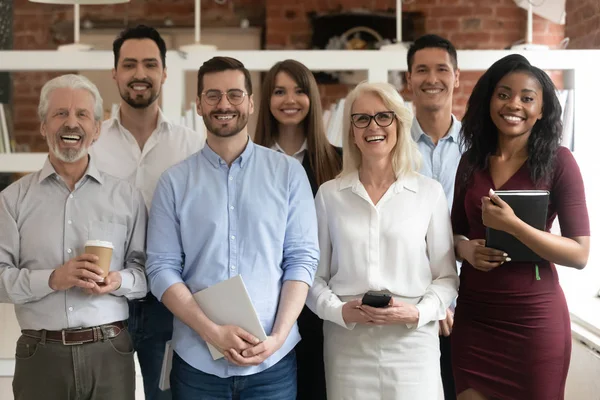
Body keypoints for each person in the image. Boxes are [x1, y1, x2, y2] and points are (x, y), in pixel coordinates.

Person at [146, 56, 319, 399]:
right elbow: (161, 268)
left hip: (273, 364)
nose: (224, 104)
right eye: (212, 95)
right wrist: (210, 331)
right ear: (198, 104)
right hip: (198, 364)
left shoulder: (288, 174)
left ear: (252, 103)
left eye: (235, 94)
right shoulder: (174, 182)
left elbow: (301, 259)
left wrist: (279, 337)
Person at [307, 81, 459, 400]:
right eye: (361, 118)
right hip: (347, 347)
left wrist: (418, 313)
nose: (373, 126)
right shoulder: (329, 196)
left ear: (398, 123)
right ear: (350, 130)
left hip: (413, 346)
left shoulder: (429, 193)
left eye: (383, 117)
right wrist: (338, 312)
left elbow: (446, 278)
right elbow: (313, 279)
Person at [451, 54, 590, 400]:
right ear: (489, 100)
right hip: (475, 318)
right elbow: (453, 233)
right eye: (504, 94)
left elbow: (580, 253)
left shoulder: (560, 162)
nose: (514, 104)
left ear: (541, 110)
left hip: (534, 321)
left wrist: (513, 226)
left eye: (527, 98)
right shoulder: (470, 162)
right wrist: (465, 248)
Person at [0, 74, 147, 400]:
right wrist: (53, 279)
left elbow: (145, 274)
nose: (71, 122)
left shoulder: (127, 197)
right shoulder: (12, 200)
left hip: (110, 352)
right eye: (60, 113)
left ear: (96, 129)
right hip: (41, 355)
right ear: (43, 126)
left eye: (82, 114)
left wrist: (117, 281)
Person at [89, 24, 203, 400]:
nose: (140, 74)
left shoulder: (192, 146)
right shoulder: (92, 145)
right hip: (103, 299)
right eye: (130, 64)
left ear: (164, 73)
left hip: (169, 300)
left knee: (168, 396)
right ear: (115, 72)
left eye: (150, 64)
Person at [254, 58, 342, 400]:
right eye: (279, 91)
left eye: (299, 91)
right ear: (265, 101)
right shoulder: (248, 163)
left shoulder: (338, 162)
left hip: (322, 304)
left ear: (313, 99)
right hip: (265, 305)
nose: (290, 100)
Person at [406, 33, 462, 399]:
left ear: (457, 76)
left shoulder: (482, 147)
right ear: (408, 79)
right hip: (409, 303)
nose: (432, 79)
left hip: (473, 305)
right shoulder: (388, 147)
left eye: (442, 69)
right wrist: (432, 301)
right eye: (421, 70)